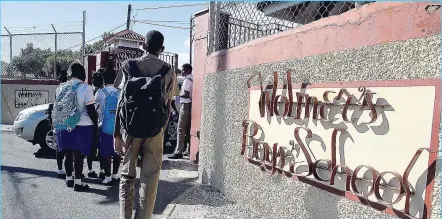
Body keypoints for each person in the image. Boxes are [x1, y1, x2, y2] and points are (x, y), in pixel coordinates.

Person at [113, 30, 179, 219]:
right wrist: (161, 130)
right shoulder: (168, 71)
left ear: (143, 45)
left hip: (129, 129)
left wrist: (116, 134)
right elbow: (168, 103)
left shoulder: (128, 66)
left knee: (127, 177)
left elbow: (120, 101)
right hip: (154, 131)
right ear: (162, 48)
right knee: (150, 179)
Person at [53, 61, 99, 191]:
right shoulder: (86, 88)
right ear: (82, 73)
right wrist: (96, 125)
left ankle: (69, 179)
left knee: (68, 153)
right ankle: (78, 183)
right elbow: (91, 109)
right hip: (82, 126)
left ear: (69, 73)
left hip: (63, 124)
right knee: (78, 155)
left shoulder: (60, 88)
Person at [95, 67, 121, 185]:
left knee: (105, 153)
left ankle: (107, 177)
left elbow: (96, 109)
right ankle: (116, 175)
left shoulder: (100, 92)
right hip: (118, 126)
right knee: (117, 151)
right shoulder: (120, 92)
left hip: (104, 126)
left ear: (103, 79)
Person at [169, 63, 193, 159]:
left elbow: (186, 94)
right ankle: (188, 149)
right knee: (188, 129)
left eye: (183, 70)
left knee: (180, 129)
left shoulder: (187, 80)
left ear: (188, 70)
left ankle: (178, 152)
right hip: (190, 105)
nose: (182, 72)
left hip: (186, 105)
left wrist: (178, 96)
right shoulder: (193, 78)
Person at [87, 69, 105, 178]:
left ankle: (90, 170)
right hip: (101, 123)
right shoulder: (104, 92)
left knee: (91, 148)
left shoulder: (89, 91)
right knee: (101, 148)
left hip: (90, 123)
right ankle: (102, 171)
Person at [55, 70, 68, 178]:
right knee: (69, 148)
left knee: (59, 147)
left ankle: (60, 169)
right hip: (68, 121)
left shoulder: (58, 90)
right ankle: (70, 172)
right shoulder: (70, 88)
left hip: (59, 121)